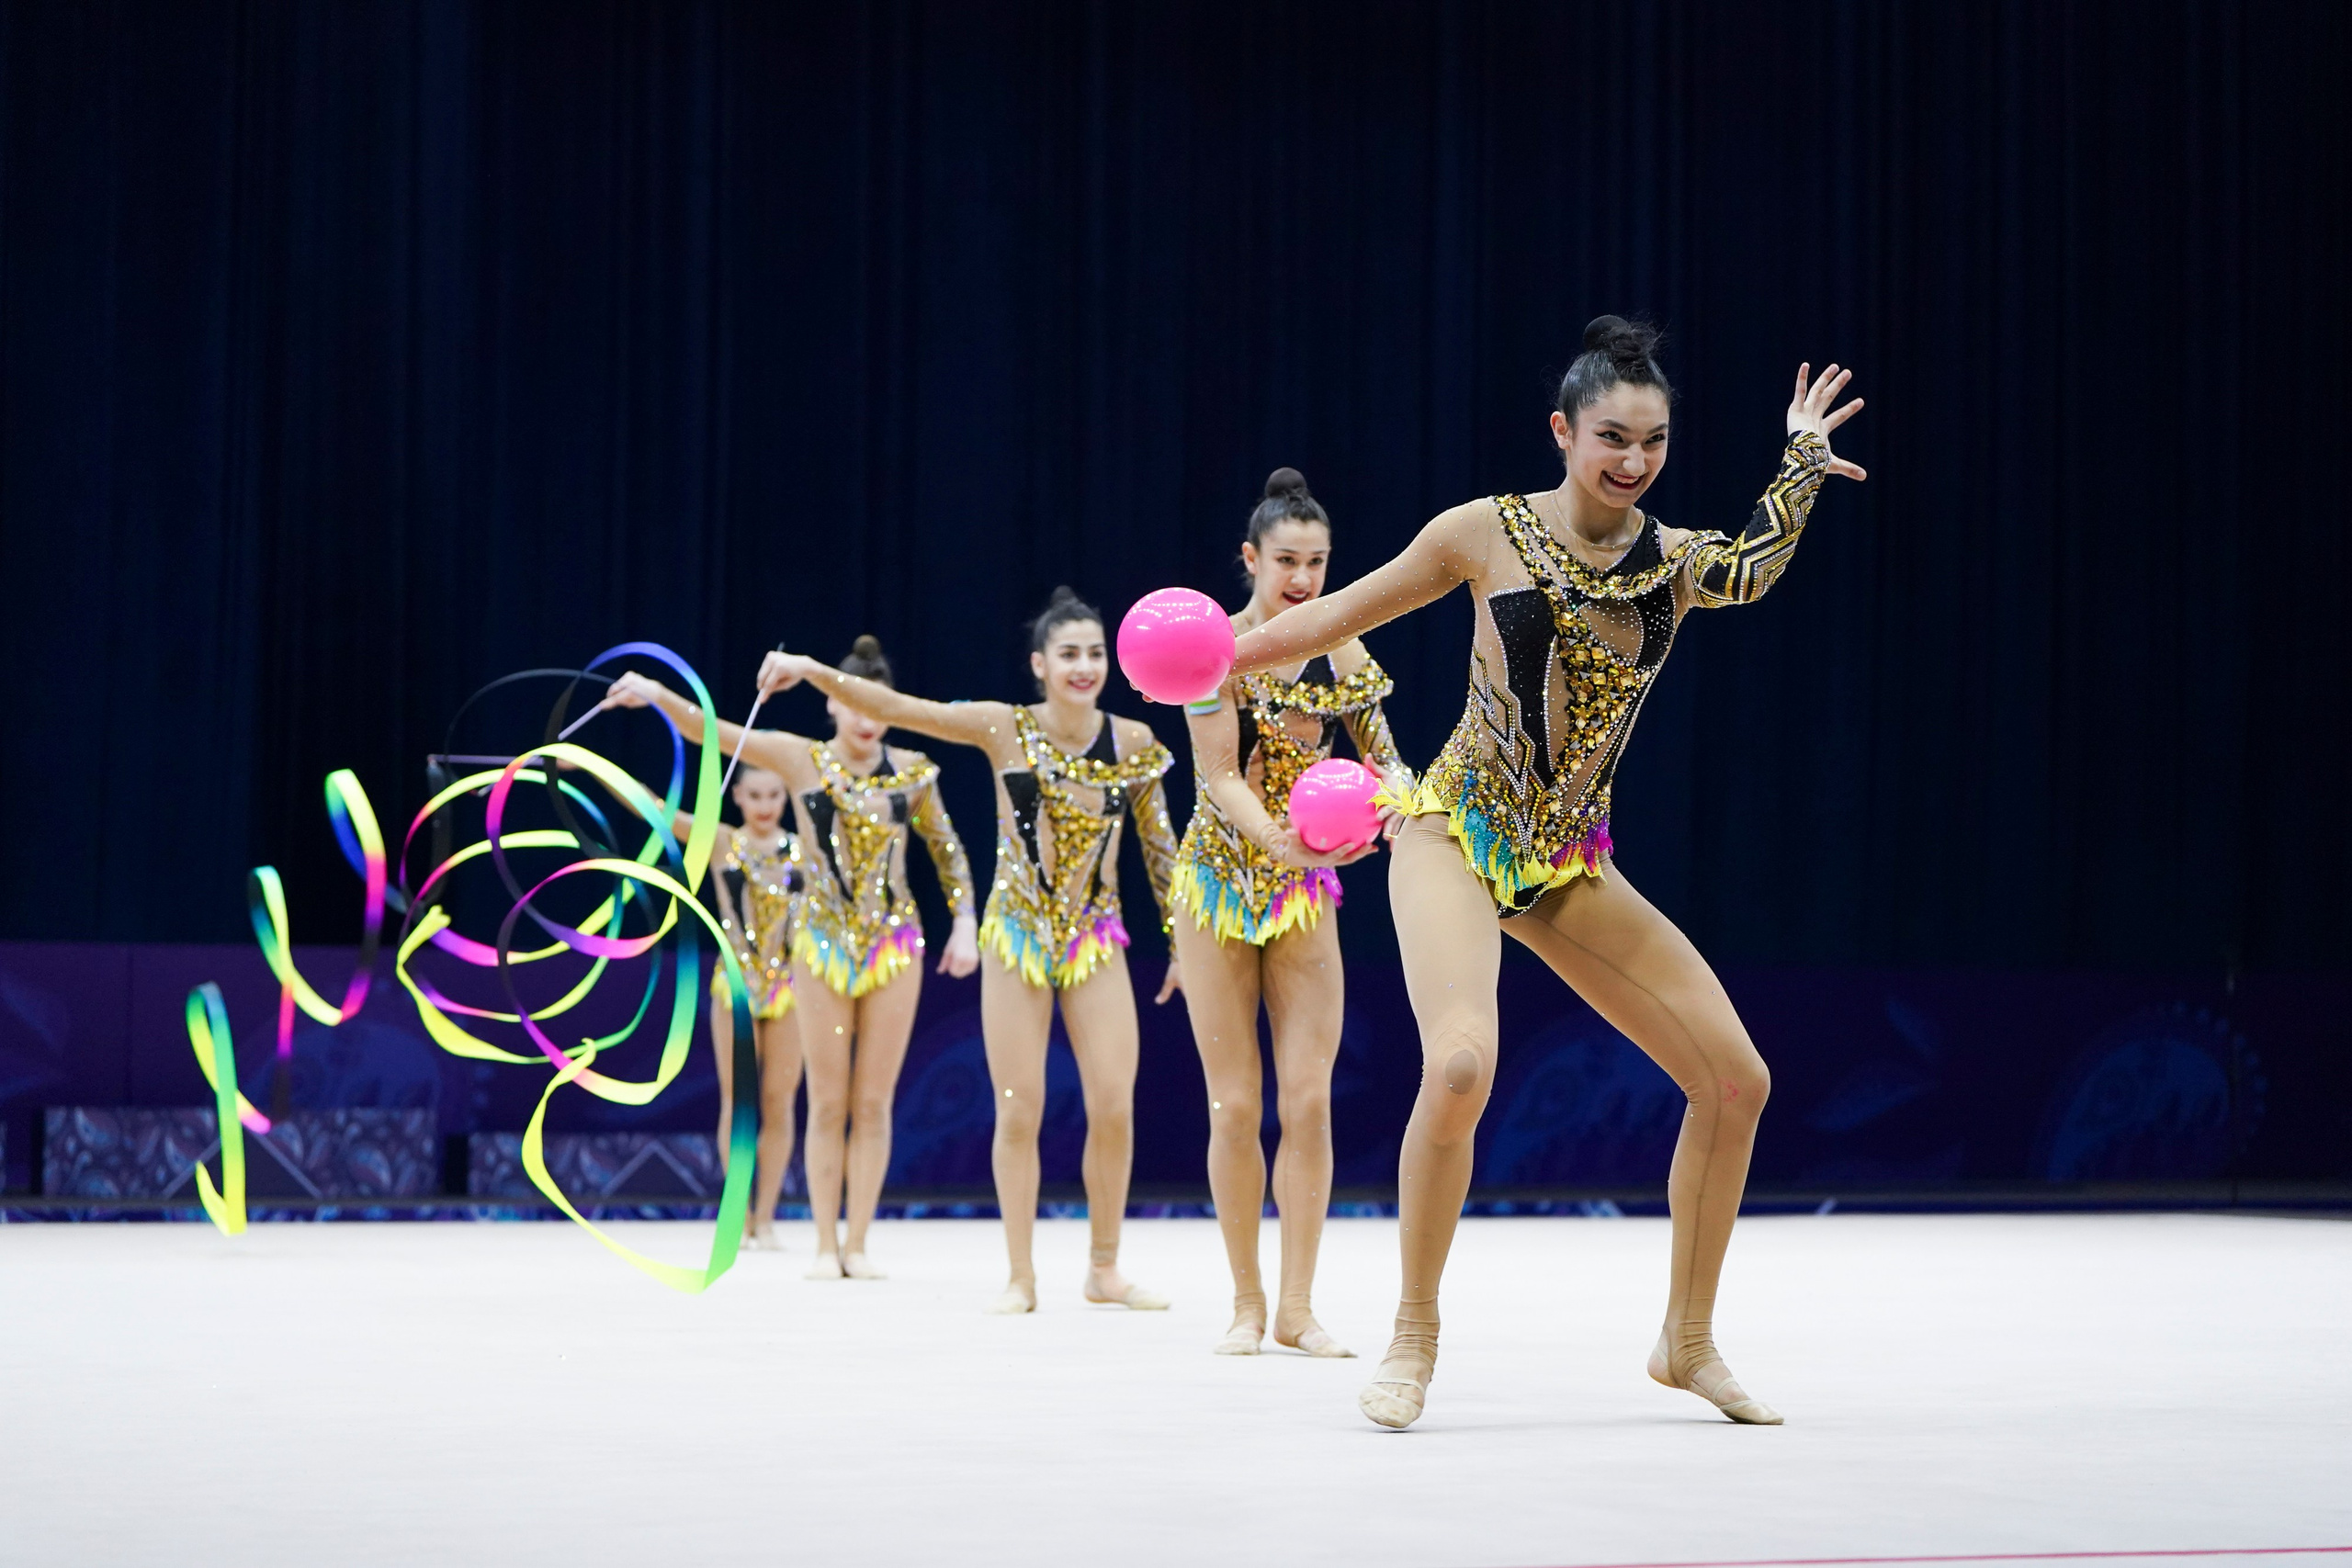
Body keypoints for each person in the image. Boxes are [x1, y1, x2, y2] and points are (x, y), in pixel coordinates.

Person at [1221, 316, 1866, 1428]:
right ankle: (1412, 1337)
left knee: (1736, 1081)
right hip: (1453, 833)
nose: (1632, 460)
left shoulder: (1671, 563)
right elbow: (1339, 611)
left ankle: (1688, 1339)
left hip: (1567, 860)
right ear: (1563, 431)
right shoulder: (1486, 531)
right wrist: (1215, 658)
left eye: (1654, 441)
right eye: (1611, 435)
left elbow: (1755, 567)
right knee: (1463, 1062)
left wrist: (1800, 457)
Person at [756, 589, 1182, 1315]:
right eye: (1069, 653)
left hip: (1094, 934)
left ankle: (1103, 1266)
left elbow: (1160, 846)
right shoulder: (1002, 728)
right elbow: (907, 709)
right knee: (1020, 1108)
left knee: (1113, 1101)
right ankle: (1021, 1276)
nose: (1084, 666)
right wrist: (811, 669)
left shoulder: (1135, 740)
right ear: (1040, 663)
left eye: (1095, 653)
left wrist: (1180, 940)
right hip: (1015, 936)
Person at [606, 637, 979, 1280]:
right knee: (828, 1101)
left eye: (878, 707)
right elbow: (709, 731)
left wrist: (967, 919)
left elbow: (946, 851)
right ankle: (824, 1244)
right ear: (832, 705)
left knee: (874, 1103)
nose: (866, 719)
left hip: (894, 944)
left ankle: (857, 1241)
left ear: (888, 709)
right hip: (821, 944)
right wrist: (658, 692)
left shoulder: (914, 770)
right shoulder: (798, 758)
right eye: (851, 704)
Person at [1170, 468, 1413, 1359]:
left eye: (1316, 563)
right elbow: (1218, 773)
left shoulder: (1343, 650)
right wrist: (1278, 843)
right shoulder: (1213, 649)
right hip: (1219, 886)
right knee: (1235, 1107)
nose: (1304, 580)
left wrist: (1389, 809)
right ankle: (1243, 1302)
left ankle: (1297, 1309)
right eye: (1286, 562)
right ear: (1250, 558)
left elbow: (1386, 759)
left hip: (1305, 892)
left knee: (1307, 1103)